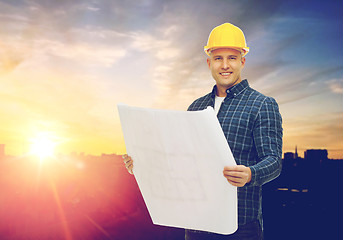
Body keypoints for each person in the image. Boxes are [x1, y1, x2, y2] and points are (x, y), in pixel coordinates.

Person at [123, 22, 283, 240]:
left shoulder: (262, 104)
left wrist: (251, 174)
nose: (225, 65)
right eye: (218, 58)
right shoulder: (196, 107)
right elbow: (181, 160)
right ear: (209, 63)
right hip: (197, 225)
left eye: (232, 58)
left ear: (242, 61)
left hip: (240, 226)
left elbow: (274, 161)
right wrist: (142, 164)